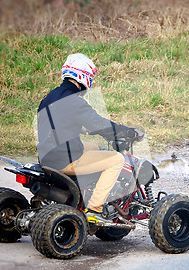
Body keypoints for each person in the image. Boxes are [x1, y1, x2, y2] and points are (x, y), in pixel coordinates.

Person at [36, 53, 137, 221]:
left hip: (46, 154)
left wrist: (84, 129)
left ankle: (90, 186)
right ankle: (95, 210)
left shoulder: (50, 97)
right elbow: (99, 124)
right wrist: (126, 131)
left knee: (95, 148)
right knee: (117, 159)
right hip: (64, 159)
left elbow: (60, 121)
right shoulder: (75, 102)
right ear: (83, 77)